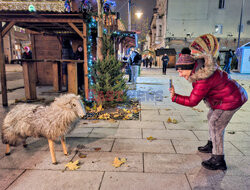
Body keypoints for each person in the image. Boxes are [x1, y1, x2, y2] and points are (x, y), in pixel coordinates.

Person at [169, 54, 248, 171]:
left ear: (190, 68)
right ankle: (212, 144)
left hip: (231, 99)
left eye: (181, 71)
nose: (180, 75)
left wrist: (175, 97)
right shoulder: (200, 71)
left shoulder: (202, 78)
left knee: (216, 124)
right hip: (228, 97)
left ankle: (218, 159)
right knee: (211, 116)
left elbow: (192, 101)